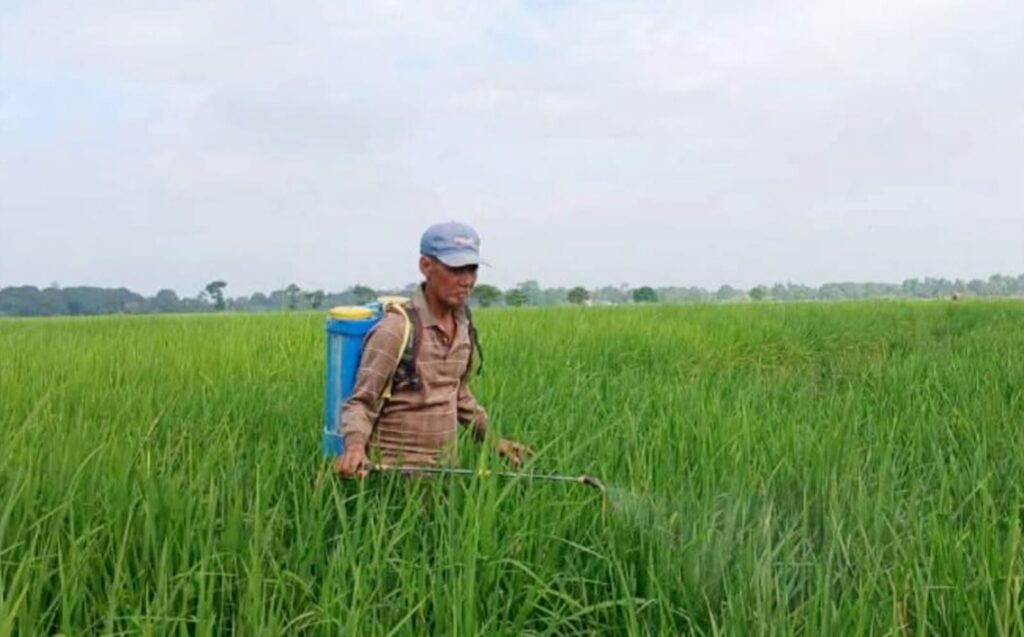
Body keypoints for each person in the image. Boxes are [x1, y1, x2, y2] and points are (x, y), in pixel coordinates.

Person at [335, 221, 532, 479]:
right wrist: (355, 449)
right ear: (426, 266)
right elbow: (361, 402)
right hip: (392, 477)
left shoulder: (464, 326)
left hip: (446, 474)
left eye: (472, 269)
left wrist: (493, 440)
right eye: (456, 269)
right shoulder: (395, 329)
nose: (468, 280)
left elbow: (458, 393)